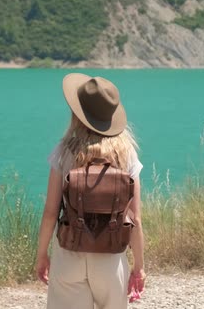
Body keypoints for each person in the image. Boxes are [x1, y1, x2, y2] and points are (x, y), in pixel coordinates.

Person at [35, 73, 146, 309]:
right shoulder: (126, 154)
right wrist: (139, 266)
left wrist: (42, 254)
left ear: (78, 114)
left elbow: (50, 212)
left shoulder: (64, 151)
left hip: (69, 254)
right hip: (111, 258)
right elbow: (135, 218)